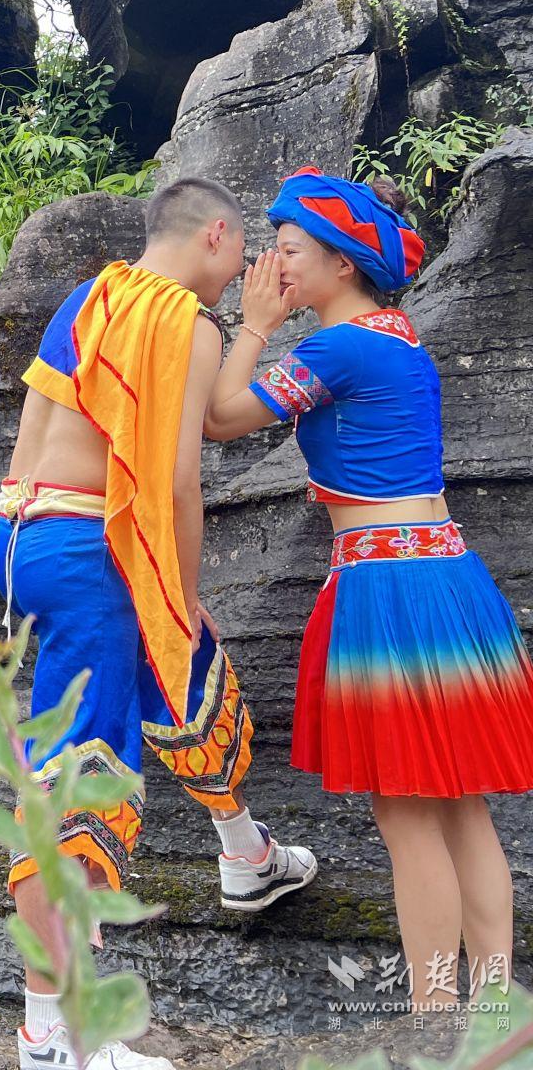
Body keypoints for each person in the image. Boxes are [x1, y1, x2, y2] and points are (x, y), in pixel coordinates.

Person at [0, 177, 318, 1070]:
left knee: (182, 672)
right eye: (243, 251)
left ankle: (244, 850)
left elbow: (195, 412)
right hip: (88, 551)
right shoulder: (182, 317)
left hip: (24, 536)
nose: (244, 269)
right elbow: (176, 483)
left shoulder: (96, 295)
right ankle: (54, 1037)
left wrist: (255, 329)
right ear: (216, 234)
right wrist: (174, 585)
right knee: (78, 781)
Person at [203, 167, 533, 1010]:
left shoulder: (337, 346)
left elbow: (220, 417)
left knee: (410, 815)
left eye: (289, 251)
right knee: (461, 807)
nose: (275, 265)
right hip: (447, 577)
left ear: (341, 263)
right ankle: (496, 1010)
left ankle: (434, 1016)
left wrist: (253, 326)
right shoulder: (400, 336)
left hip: (389, 587)